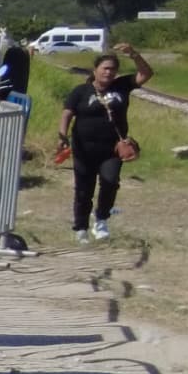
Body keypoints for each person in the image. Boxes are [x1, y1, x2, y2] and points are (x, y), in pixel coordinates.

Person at [58, 55, 141, 238]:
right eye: (105, 68)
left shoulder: (122, 86)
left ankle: (101, 220)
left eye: (112, 69)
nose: (108, 72)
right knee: (83, 190)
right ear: (95, 70)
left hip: (111, 150)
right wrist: (62, 136)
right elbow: (67, 114)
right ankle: (81, 228)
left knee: (110, 182)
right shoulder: (81, 91)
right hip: (84, 149)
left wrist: (134, 55)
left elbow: (146, 73)